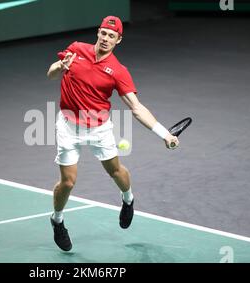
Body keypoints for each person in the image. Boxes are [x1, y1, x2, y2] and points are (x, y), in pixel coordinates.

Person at [46, 16, 179, 251]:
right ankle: (57, 221)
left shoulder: (118, 71)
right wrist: (58, 67)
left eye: (112, 36)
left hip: (98, 128)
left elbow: (137, 108)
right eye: (104, 34)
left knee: (115, 171)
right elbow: (51, 74)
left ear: (119, 40)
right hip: (68, 126)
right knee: (67, 182)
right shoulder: (76, 50)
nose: (106, 39)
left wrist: (164, 134)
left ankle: (128, 200)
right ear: (98, 33)